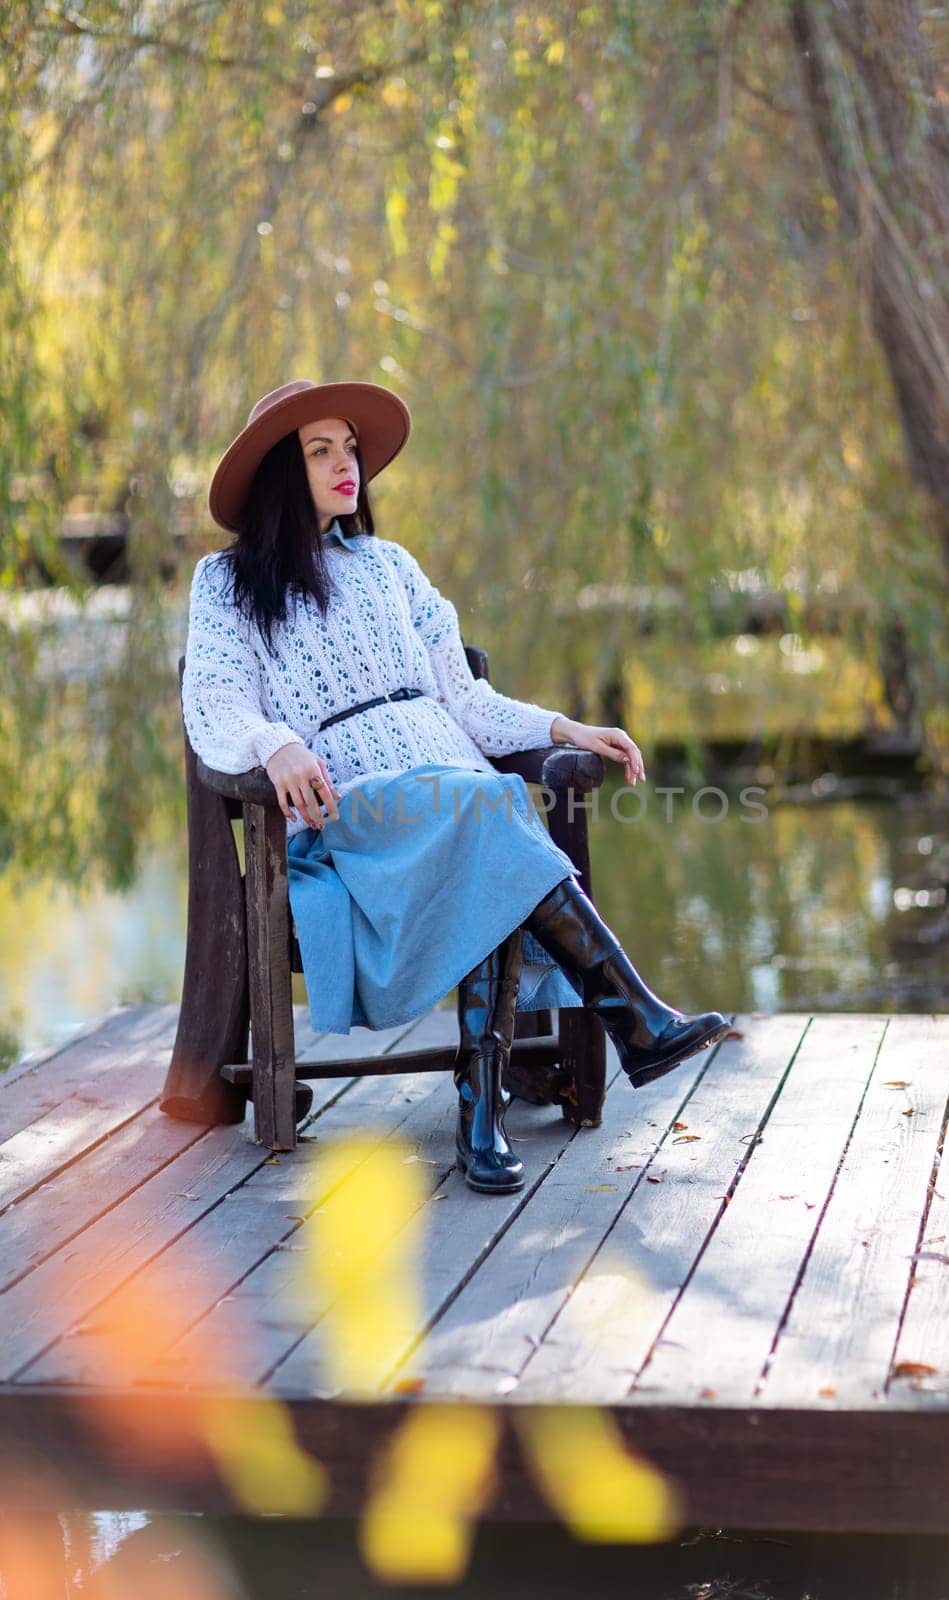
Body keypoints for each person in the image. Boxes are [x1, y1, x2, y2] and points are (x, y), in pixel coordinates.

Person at [175, 378, 730, 1196]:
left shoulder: (392, 567)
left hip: (454, 786)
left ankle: (482, 1120)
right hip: (351, 807)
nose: (344, 466)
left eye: (349, 449)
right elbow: (215, 700)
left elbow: (465, 699)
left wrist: (563, 729)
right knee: (489, 812)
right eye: (319, 451)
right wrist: (278, 743)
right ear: (278, 474)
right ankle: (632, 1018)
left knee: (484, 817)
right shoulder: (224, 584)